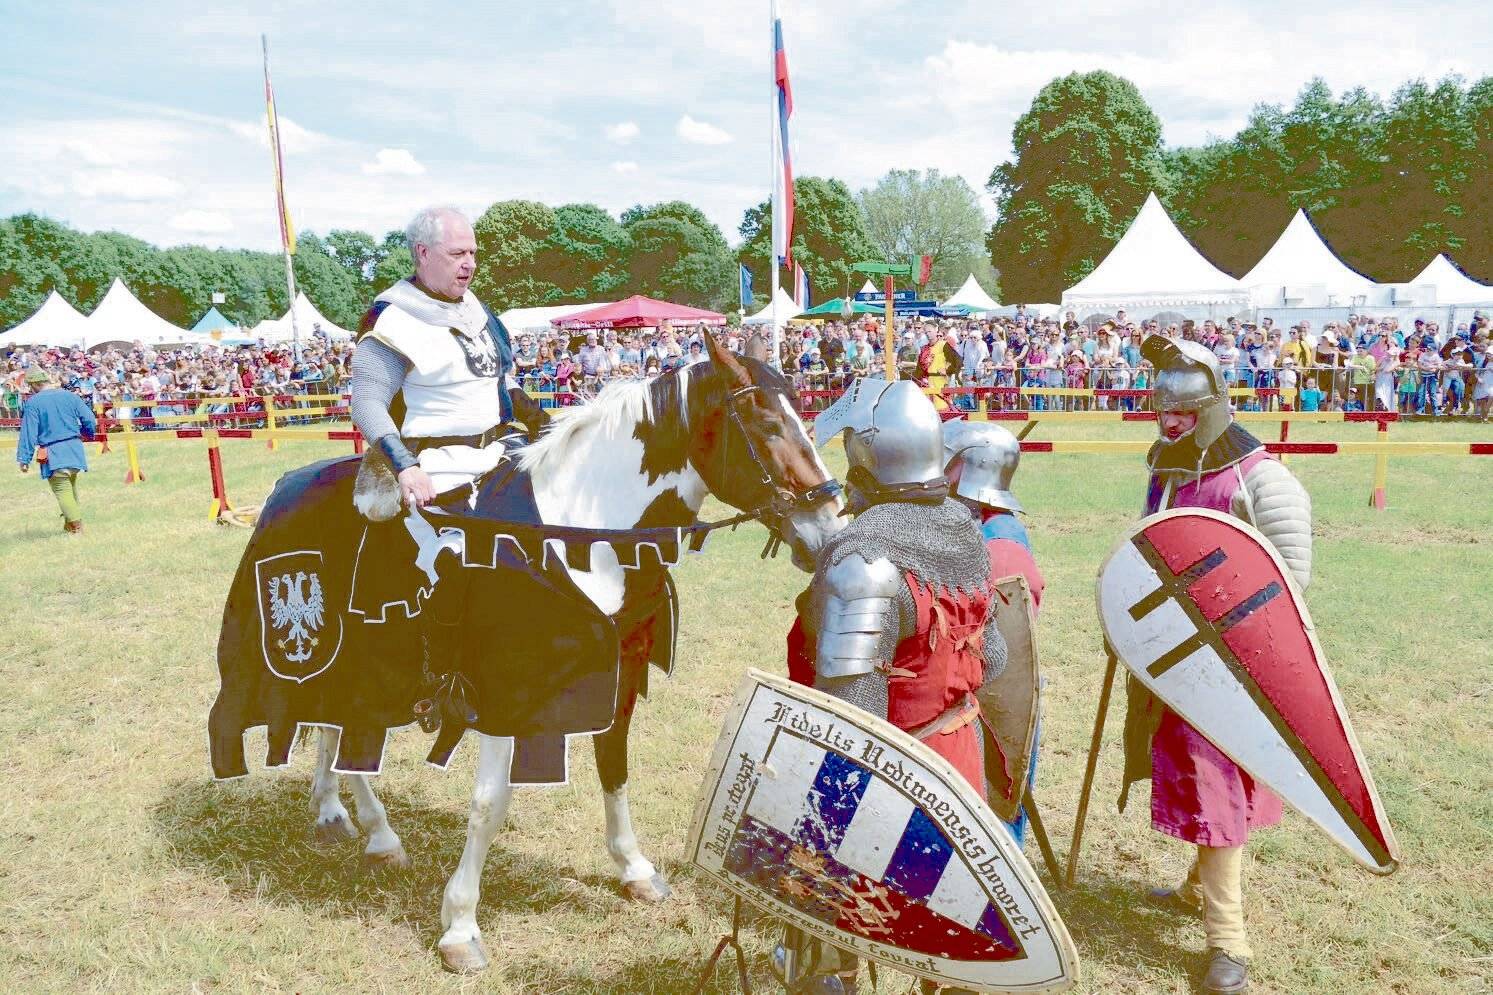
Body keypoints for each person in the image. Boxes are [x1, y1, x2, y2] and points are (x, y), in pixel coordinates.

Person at [781, 378, 1008, 994]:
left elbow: (850, 717)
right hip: (960, 757)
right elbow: (994, 658)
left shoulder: (864, 562)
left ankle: (833, 970)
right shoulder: (963, 529)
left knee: (843, 921)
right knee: (954, 925)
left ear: (867, 460)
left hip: (891, 771)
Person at [1121, 335, 1312, 995]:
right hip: (1174, 659)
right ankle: (1193, 886)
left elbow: (1287, 586)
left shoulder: (1261, 479)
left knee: (1216, 784)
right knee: (1190, 771)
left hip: (1233, 666)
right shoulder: (1168, 471)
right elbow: (1150, 550)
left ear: (1211, 408)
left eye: (1182, 412)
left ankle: (1228, 941)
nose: (1169, 422)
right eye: (1162, 411)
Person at [350, 205, 516, 512]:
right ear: (423, 252)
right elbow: (367, 403)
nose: (470, 264)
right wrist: (405, 466)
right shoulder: (392, 318)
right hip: (434, 470)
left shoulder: (480, 313)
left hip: (498, 455)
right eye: (457, 254)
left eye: (473, 253)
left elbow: (501, 383)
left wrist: (548, 428)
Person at [942, 419, 1045, 846]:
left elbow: (996, 643)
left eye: (946, 462)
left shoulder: (1001, 542)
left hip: (993, 696)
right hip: (970, 690)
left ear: (968, 470)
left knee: (991, 815)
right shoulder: (976, 525)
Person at [15, 368, 98, 534]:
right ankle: (69, 526)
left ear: (34, 384)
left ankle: (77, 529)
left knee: (62, 489)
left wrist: (24, 458)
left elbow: (29, 432)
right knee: (70, 487)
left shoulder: (33, 403)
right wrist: (88, 434)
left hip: (54, 453)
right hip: (75, 449)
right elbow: (89, 418)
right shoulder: (69, 396)